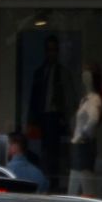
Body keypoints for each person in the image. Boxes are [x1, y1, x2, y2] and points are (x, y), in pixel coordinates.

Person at [26, 35, 76, 193]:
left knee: (53, 153)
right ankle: (43, 181)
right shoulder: (40, 72)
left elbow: (69, 97)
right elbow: (33, 98)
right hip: (41, 117)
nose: (51, 53)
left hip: (56, 117)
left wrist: (66, 119)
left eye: (54, 50)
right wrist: (31, 119)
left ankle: (52, 183)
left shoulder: (62, 73)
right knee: (40, 152)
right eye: (49, 50)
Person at [67, 62, 102, 198]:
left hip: (84, 146)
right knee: (74, 185)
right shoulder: (85, 99)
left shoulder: (94, 99)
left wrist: (82, 134)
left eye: (88, 76)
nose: (85, 80)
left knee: (87, 188)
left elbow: (93, 120)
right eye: (83, 76)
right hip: (79, 146)